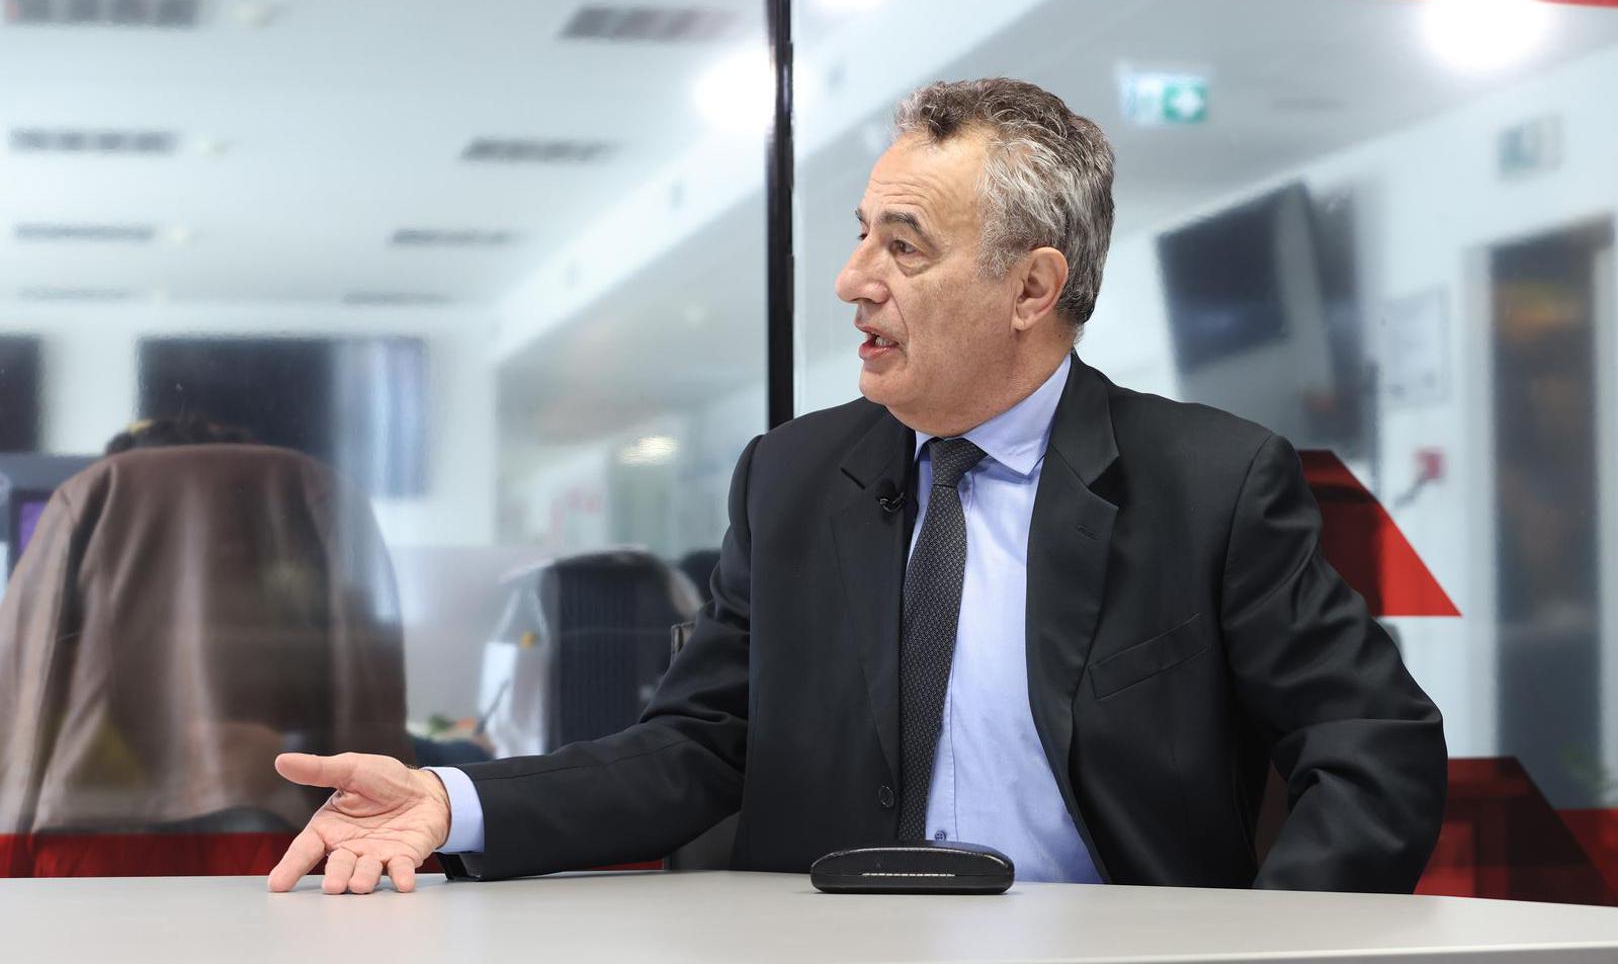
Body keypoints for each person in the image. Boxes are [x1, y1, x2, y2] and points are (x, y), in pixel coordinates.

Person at [267, 78, 1446, 896]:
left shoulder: (1210, 481)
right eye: (859, 233)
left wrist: (1267, 944)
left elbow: (1371, 742)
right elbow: (698, 746)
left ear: (1032, 288)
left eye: (904, 245)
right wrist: (452, 801)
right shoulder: (792, 477)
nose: (851, 279)